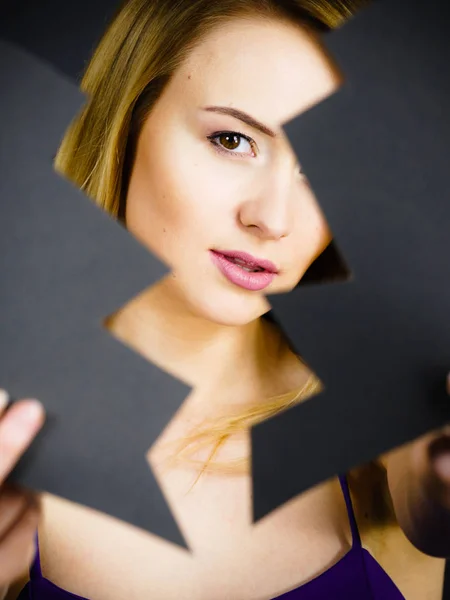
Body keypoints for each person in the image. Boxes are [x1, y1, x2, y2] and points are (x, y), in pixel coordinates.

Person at [1, 0, 450, 598]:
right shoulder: (12, 430)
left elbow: (427, 517)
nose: (272, 219)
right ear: (128, 122)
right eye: (232, 139)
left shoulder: (382, 422)